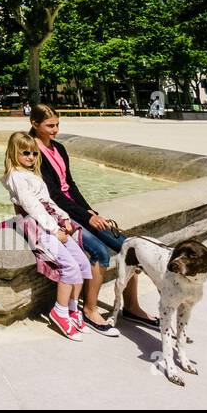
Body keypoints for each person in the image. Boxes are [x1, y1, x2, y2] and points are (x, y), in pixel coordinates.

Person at [29, 103, 158, 332]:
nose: (55, 130)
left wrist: (91, 212)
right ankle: (89, 310)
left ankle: (132, 306)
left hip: (75, 210)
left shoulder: (59, 148)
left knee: (128, 246)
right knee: (98, 250)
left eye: (57, 124)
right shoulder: (32, 153)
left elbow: (71, 185)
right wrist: (85, 218)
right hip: (58, 213)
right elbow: (54, 195)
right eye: (50, 126)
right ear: (34, 124)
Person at [0, 132, 93, 340]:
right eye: (25, 153)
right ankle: (59, 312)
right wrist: (53, 229)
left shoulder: (32, 174)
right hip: (38, 226)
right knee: (68, 267)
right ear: (14, 153)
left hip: (52, 221)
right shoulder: (16, 176)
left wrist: (65, 217)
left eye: (34, 153)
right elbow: (33, 207)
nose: (31, 157)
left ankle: (72, 309)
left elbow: (48, 202)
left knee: (83, 264)